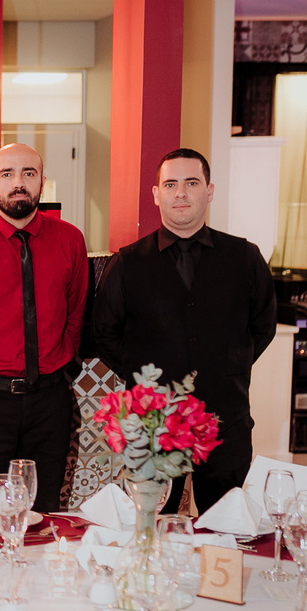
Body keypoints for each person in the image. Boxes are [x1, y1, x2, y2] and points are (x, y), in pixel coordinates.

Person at [93, 148, 276, 513]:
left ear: (209, 191)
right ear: (156, 193)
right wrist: (144, 376)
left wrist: (228, 366)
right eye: (170, 184)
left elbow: (263, 326)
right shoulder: (127, 262)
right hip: (152, 423)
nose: (180, 193)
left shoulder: (245, 257)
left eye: (191, 183)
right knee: (151, 524)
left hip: (226, 421)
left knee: (226, 524)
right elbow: (104, 333)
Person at [0, 143, 88, 511]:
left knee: (45, 510)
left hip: (50, 402)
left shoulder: (70, 240)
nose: (18, 182)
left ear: (42, 181)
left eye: (28, 173)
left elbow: (75, 314)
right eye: (6, 174)